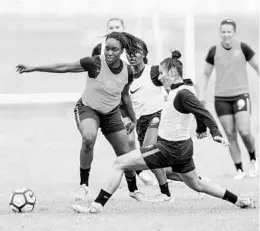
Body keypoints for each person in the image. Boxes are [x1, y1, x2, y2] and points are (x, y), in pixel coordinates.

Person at [71, 50, 256, 214]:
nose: (159, 77)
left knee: (120, 163)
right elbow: (196, 110)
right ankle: (238, 201)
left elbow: (202, 111)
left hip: (169, 148)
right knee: (196, 184)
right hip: (183, 148)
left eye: (162, 73)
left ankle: (96, 207)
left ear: (173, 73)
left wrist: (214, 131)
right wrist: (200, 127)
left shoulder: (183, 94)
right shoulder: (179, 89)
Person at [16, 32, 149, 202]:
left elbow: (125, 96)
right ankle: (83, 185)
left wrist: (133, 118)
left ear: (122, 50)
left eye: (114, 50)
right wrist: (34, 67)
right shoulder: (94, 63)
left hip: (111, 113)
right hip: (88, 109)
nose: (109, 53)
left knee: (125, 152)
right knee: (88, 138)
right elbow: (64, 67)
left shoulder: (127, 71)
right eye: (107, 48)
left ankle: (133, 190)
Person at [92, 17, 155, 185]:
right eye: (111, 27)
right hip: (110, 103)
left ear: (123, 28)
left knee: (131, 140)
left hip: (129, 100)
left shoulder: (130, 49)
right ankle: (136, 175)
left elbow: (139, 69)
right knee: (124, 141)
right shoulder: (100, 51)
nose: (115, 28)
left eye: (117, 26)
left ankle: (136, 173)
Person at [200, 19, 259, 180]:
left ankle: (253, 158)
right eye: (223, 31)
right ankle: (239, 169)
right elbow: (206, 74)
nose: (226, 34)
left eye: (229, 31)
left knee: (245, 131)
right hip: (221, 98)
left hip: (241, 95)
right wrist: (202, 94)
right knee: (230, 134)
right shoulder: (214, 51)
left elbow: (257, 67)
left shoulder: (243, 48)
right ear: (220, 33)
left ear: (234, 33)